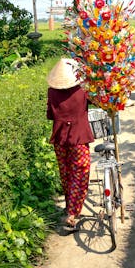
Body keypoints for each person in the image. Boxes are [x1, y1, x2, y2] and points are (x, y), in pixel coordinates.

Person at [46, 58, 94, 229]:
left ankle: (69, 207)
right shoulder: (83, 90)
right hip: (79, 138)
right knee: (80, 173)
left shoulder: (52, 92)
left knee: (66, 173)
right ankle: (73, 211)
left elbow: (50, 114)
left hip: (60, 138)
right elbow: (95, 103)